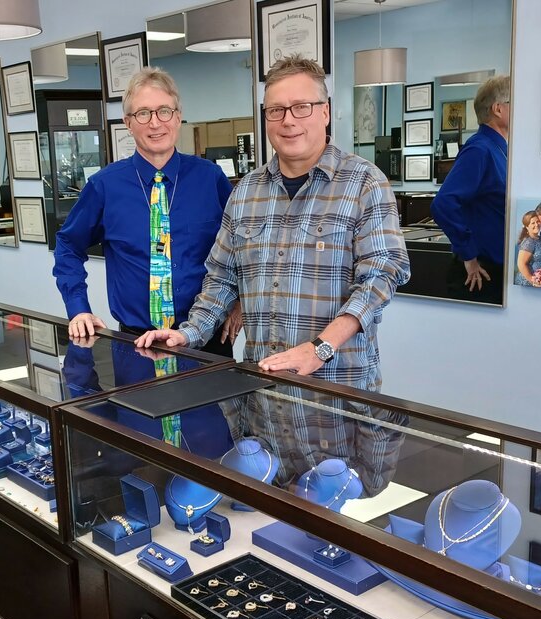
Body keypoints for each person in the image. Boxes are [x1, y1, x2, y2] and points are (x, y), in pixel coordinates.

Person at [136, 55, 410, 391]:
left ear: (324, 111)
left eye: (301, 107)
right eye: (275, 110)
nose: (288, 121)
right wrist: (188, 333)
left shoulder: (365, 183)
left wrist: (320, 348)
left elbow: (382, 276)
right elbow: (222, 278)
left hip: (338, 391)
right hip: (263, 390)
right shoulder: (246, 192)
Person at [52, 67, 240, 356]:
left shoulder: (210, 179)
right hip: (135, 344)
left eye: (164, 111)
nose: (155, 123)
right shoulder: (104, 186)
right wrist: (78, 309)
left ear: (177, 117)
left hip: (206, 341)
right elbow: (67, 245)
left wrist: (239, 302)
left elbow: (241, 248)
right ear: (128, 123)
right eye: (143, 114)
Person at [430, 75, 510, 303]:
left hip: (498, 268)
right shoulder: (480, 149)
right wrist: (469, 254)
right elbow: (443, 204)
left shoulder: (499, 149)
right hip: (481, 274)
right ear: (498, 109)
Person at [514, 211, 541, 286]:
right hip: (527, 283)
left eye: (538, 221)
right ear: (527, 226)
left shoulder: (540, 239)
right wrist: (533, 281)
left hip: (539, 282)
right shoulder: (529, 241)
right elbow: (521, 264)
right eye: (533, 223)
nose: (536, 225)